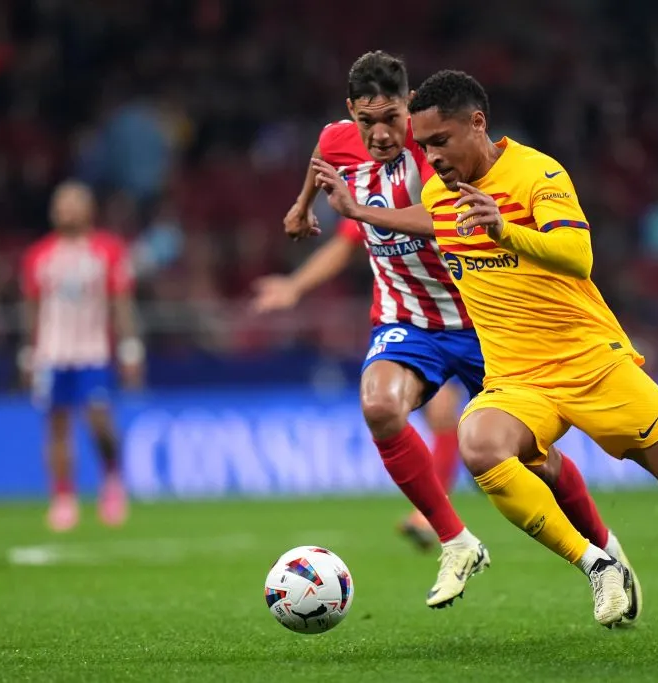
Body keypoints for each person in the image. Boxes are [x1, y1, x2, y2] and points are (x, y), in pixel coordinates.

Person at [312, 69, 658, 648]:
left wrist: (506, 231)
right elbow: (427, 222)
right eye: (423, 146)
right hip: (516, 379)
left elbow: (578, 255)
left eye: (440, 142)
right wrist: (359, 212)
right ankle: (598, 564)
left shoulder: (538, 173)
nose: (431, 157)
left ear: (478, 124)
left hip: (590, 364)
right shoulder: (437, 193)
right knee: (480, 446)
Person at [272, 52, 638, 615]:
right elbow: (323, 153)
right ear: (350, 112)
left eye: (391, 117)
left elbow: (438, 217)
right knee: (379, 407)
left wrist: (359, 214)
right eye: (366, 120)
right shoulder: (339, 138)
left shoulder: (435, 151)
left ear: (408, 104)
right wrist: (301, 208)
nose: (380, 133)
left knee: (536, 459)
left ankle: (605, 547)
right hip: (407, 319)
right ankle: (456, 541)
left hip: (481, 322)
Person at [253, 220, 465, 551]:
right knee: (439, 412)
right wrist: (295, 286)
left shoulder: (445, 181)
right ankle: (432, 516)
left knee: (495, 428)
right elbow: (344, 243)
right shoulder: (376, 187)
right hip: (415, 323)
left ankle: (468, 491)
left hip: (472, 312)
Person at [20, 181, 142, 532]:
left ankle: (112, 479)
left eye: (74, 203)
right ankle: (63, 498)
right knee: (57, 426)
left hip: (94, 352)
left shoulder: (107, 250)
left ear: (89, 209)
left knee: (99, 419)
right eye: (61, 204)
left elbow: (121, 303)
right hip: (52, 354)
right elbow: (32, 308)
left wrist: (130, 348)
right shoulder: (39, 256)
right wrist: (29, 354)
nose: (66, 210)